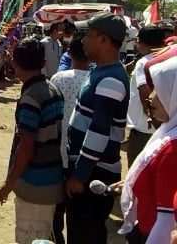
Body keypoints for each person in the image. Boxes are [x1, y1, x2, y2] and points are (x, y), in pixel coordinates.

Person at [65, 13, 129, 244]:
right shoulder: (100, 71)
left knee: (85, 234)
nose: (82, 41)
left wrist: (80, 175)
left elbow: (99, 131)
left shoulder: (111, 79)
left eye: (88, 35)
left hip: (95, 173)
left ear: (103, 40)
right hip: (91, 169)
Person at [0, 38, 64, 244]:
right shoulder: (52, 89)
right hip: (52, 178)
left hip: (36, 184)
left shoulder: (31, 98)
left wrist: (8, 184)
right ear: (43, 63)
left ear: (15, 65)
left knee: (31, 238)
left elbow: (26, 148)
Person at [120, 56, 177, 244]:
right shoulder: (167, 132)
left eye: (157, 89)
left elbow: (166, 222)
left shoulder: (172, 149)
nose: (150, 97)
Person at [49, 35, 90, 244]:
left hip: (58, 153)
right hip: (83, 156)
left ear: (69, 54)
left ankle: (57, 239)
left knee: (56, 209)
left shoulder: (58, 79)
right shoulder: (95, 81)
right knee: (77, 211)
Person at [126, 25, 167, 168]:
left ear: (141, 42)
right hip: (166, 131)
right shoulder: (169, 59)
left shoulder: (144, 63)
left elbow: (146, 95)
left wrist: (158, 130)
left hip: (146, 133)